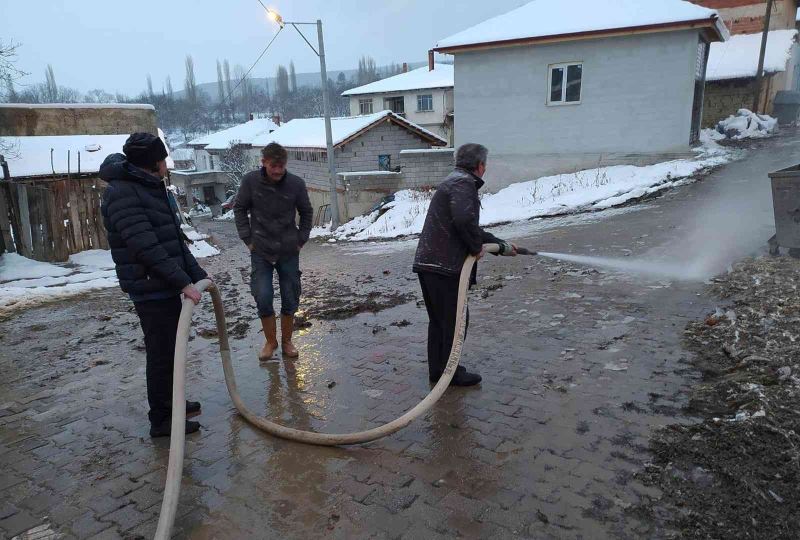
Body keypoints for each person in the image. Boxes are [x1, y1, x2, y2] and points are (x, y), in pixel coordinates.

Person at [100, 133, 210, 438]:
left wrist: (199, 274)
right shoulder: (123, 194)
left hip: (163, 284)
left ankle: (172, 402)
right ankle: (162, 420)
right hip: (150, 287)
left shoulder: (149, 187)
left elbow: (173, 239)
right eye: (163, 159)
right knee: (162, 353)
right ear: (153, 163)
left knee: (172, 349)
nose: (166, 164)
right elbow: (145, 246)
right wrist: (184, 283)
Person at [413, 143, 516, 387]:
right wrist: (475, 247)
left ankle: (439, 373)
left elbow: (465, 225)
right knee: (455, 321)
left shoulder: (453, 180)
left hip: (430, 264)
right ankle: (450, 373)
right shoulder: (464, 184)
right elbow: (462, 219)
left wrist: (497, 244)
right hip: (445, 267)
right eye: (485, 164)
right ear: (480, 166)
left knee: (439, 321)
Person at [234, 142, 313, 360]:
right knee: (263, 294)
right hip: (260, 250)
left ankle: (287, 341)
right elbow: (239, 209)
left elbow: (306, 212)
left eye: (281, 166)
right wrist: (247, 239)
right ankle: (270, 341)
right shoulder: (250, 182)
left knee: (290, 296)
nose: (278, 171)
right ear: (264, 163)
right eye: (273, 166)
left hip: (289, 250)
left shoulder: (296, 184)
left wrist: (301, 239)